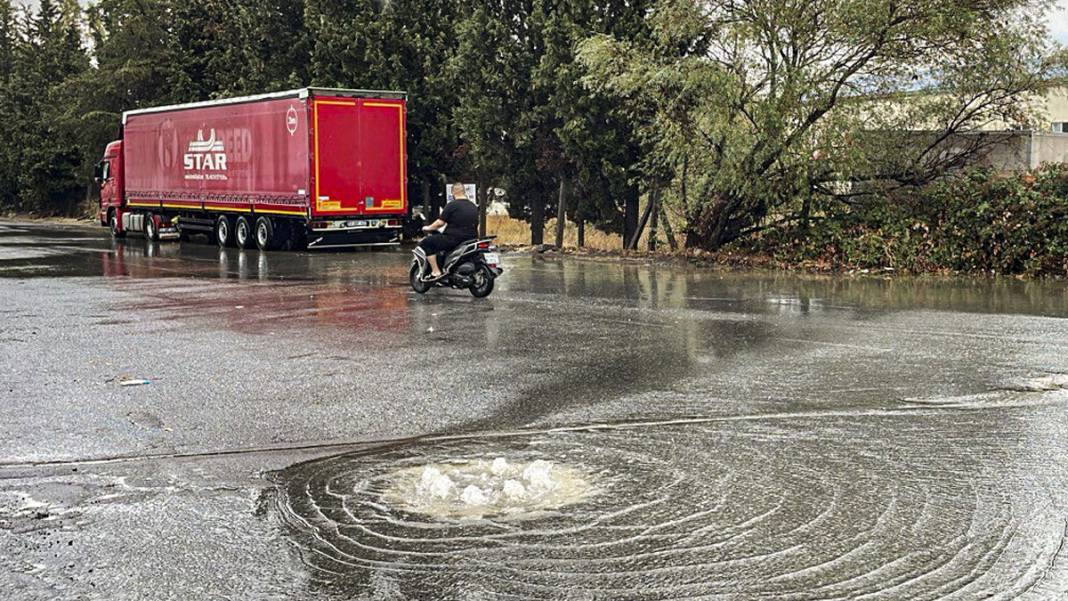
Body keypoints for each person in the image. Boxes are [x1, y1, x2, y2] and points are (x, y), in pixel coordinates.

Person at [419, 183, 479, 281]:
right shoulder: (473, 206)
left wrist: (428, 228)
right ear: (464, 191)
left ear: (453, 192)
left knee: (426, 243)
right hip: (471, 238)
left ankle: (435, 272)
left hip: (454, 239)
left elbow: (440, 223)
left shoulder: (452, 205)